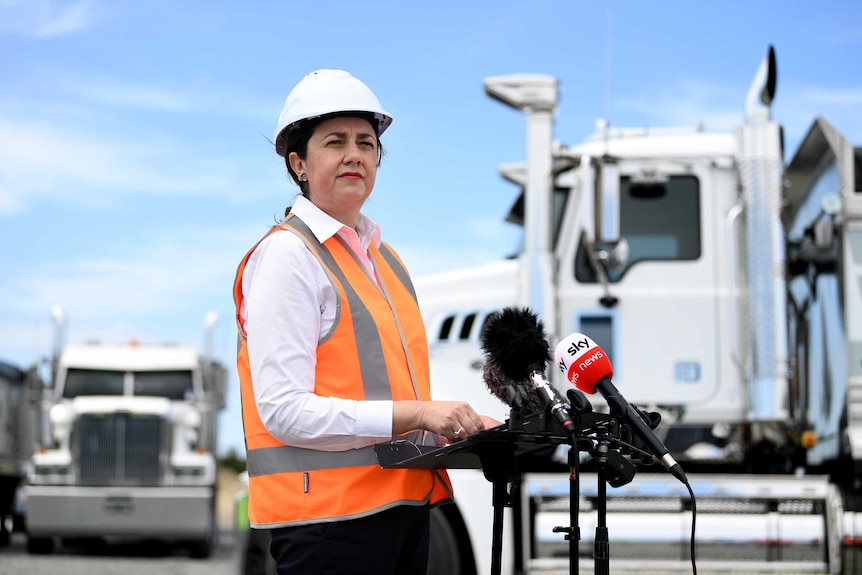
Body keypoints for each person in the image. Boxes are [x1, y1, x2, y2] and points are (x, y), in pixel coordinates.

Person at [233, 69, 497, 575]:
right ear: (299, 164)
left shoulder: (387, 261)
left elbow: (386, 399)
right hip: (329, 527)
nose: (355, 154)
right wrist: (419, 414)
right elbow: (284, 411)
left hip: (402, 513)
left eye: (366, 143)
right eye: (335, 142)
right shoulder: (289, 256)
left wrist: (463, 430)